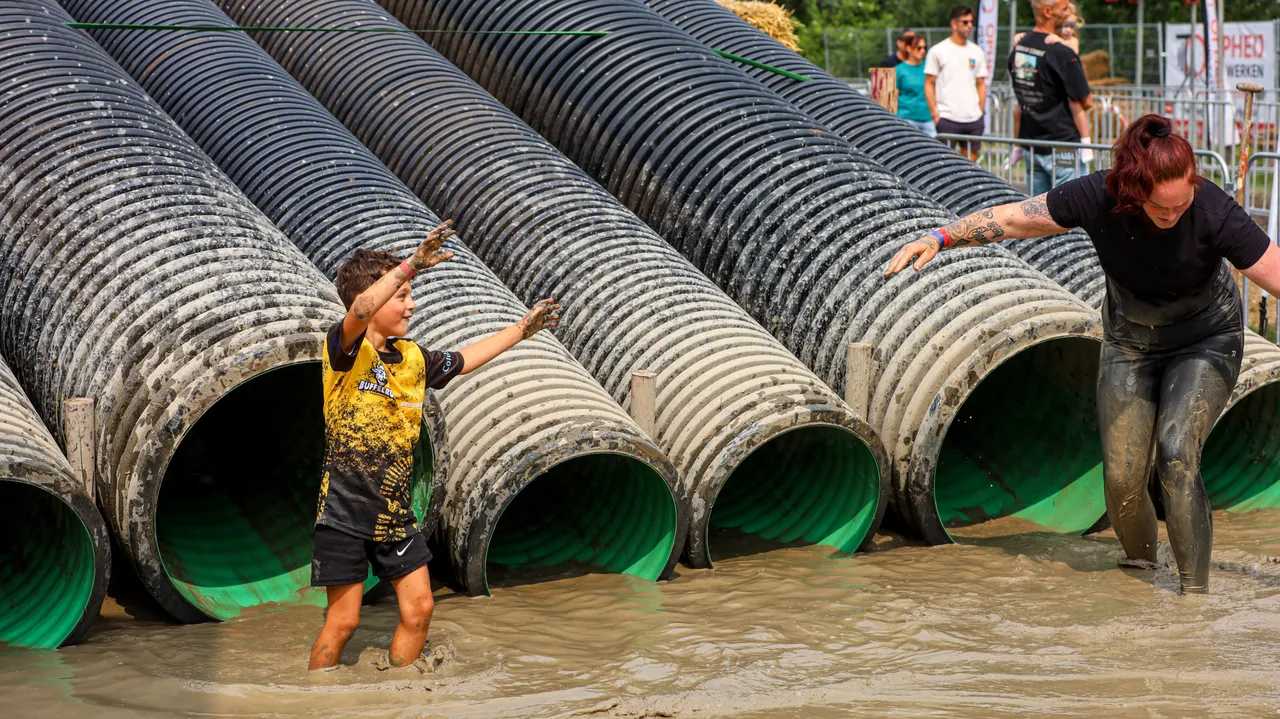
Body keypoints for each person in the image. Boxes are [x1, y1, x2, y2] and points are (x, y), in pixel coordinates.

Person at [884, 116, 1280, 595]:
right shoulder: (1096, 196)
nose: (1173, 215)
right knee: (1122, 477)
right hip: (1131, 341)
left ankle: (1192, 600)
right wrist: (940, 238)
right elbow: (1011, 219)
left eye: (1183, 204)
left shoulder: (1216, 211)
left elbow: (1275, 274)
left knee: (1176, 453)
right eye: (1161, 208)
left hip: (1207, 339)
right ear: (1134, 191)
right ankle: (1140, 574)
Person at [309, 220, 560, 670]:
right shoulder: (343, 350)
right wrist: (410, 265)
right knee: (344, 622)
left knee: (420, 611)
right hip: (344, 512)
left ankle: (403, 695)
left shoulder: (413, 358)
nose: (412, 304)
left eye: (409, 294)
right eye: (403, 296)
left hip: (395, 514)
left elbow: (465, 361)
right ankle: (316, 700)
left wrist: (523, 329)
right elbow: (363, 308)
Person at [1009, 0, 1094, 195]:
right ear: (1048, 12)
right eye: (1063, 9)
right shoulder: (1062, 53)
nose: (1067, 13)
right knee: (1070, 212)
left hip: (1032, 145)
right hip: (1062, 147)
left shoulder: (1019, 45)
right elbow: (1086, 101)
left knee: (1036, 214)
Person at [925, 5, 988, 162]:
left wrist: (980, 111)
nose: (969, 26)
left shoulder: (976, 51)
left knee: (971, 163)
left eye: (971, 22)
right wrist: (935, 114)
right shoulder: (938, 50)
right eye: (965, 22)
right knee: (945, 162)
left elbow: (981, 83)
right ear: (954, 24)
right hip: (947, 117)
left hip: (973, 117)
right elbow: (929, 83)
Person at [896, 35, 935, 137]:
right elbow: (893, 97)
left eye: (924, 48)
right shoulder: (899, 69)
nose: (922, 51)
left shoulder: (929, 67)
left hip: (928, 118)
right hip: (907, 118)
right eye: (919, 48)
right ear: (908, 48)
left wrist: (936, 115)